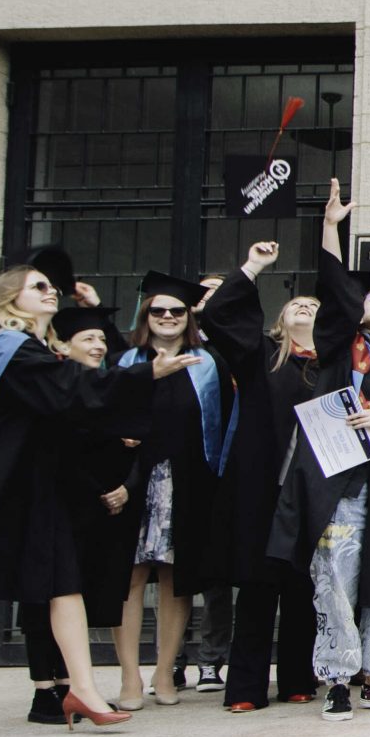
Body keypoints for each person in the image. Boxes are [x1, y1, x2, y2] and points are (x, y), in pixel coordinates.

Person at [0, 260, 179, 737]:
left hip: (37, 488)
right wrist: (145, 377)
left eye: (50, 287)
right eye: (37, 287)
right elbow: (70, 389)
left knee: (64, 585)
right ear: (7, 300)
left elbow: (73, 403)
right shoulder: (9, 349)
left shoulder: (39, 350)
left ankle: (80, 688)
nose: (49, 292)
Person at [268, 179, 370, 721]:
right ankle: (339, 680)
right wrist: (331, 229)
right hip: (340, 483)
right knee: (335, 580)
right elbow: (337, 290)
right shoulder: (344, 348)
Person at [198, 246, 325, 711]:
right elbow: (216, 316)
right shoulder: (260, 355)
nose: (304, 307)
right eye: (296, 304)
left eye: (313, 305)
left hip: (310, 491)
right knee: (256, 588)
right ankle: (246, 688)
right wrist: (251, 267)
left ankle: (297, 678)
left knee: (301, 588)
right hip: (261, 491)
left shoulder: (334, 367)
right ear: (280, 319)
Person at [109, 272, 235, 709]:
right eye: (159, 310)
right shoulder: (126, 362)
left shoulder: (207, 364)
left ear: (188, 317)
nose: (167, 316)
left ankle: (164, 673)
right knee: (128, 579)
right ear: (146, 315)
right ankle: (129, 678)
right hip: (133, 481)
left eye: (176, 311)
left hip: (188, 481)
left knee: (175, 581)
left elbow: (223, 425)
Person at [40, 297, 146, 725]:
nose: (100, 345)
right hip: (66, 501)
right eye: (89, 338)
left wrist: (126, 487)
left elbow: (144, 440)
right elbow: (58, 451)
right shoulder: (55, 388)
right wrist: (101, 487)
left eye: (103, 338)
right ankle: (47, 688)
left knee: (87, 595)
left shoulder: (111, 386)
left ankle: (74, 686)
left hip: (108, 510)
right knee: (54, 592)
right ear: (62, 347)